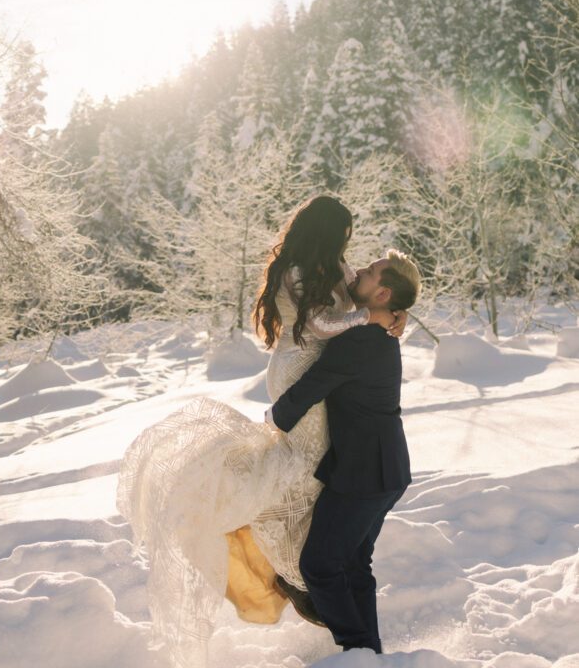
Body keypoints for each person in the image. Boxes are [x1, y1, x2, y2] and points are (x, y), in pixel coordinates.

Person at [115, 195, 407, 668]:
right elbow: (319, 322)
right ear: (328, 232)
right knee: (296, 468)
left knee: (309, 476)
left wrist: (393, 313)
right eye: (345, 235)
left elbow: (369, 291)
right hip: (302, 372)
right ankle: (304, 577)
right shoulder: (296, 269)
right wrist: (371, 316)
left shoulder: (333, 264)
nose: (350, 249)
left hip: (324, 375)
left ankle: (317, 586)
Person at [266, 251, 421, 654]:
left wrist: (274, 418)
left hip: (364, 472)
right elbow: (348, 279)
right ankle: (369, 654)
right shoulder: (376, 327)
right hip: (386, 468)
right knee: (353, 564)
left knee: (319, 566)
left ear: (383, 292)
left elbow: (316, 383)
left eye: (369, 273)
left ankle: (358, 651)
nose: (360, 273)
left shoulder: (362, 338)